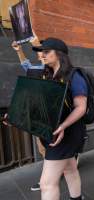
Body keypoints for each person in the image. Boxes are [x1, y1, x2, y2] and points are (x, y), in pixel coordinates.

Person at [32, 38, 87, 200]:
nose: (42, 55)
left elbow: (81, 107)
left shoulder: (74, 75)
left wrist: (63, 126)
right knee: (70, 169)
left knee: (46, 184)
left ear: (59, 54)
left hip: (67, 133)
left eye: (46, 51)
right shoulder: (48, 75)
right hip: (55, 132)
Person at [11, 36, 45, 191]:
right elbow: (26, 64)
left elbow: (47, 67)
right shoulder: (35, 69)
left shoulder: (54, 68)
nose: (38, 53)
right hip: (37, 112)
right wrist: (19, 51)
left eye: (42, 51)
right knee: (41, 147)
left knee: (53, 146)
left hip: (52, 113)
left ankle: (48, 177)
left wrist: (35, 42)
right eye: (38, 51)